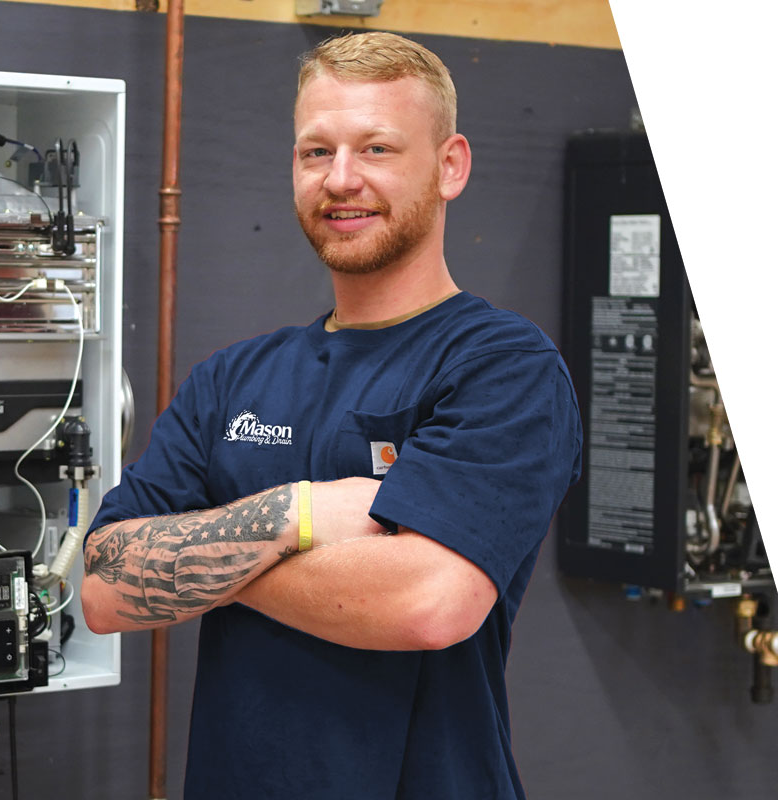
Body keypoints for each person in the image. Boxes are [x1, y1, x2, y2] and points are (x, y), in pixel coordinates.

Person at [82, 31, 582, 799]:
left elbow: (428, 603)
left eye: (376, 148)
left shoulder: (499, 366)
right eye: (316, 152)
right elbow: (106, 590)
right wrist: (300, 513)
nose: (340, 180)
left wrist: (207, 560)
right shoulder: (232, 378)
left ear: (450, 166)